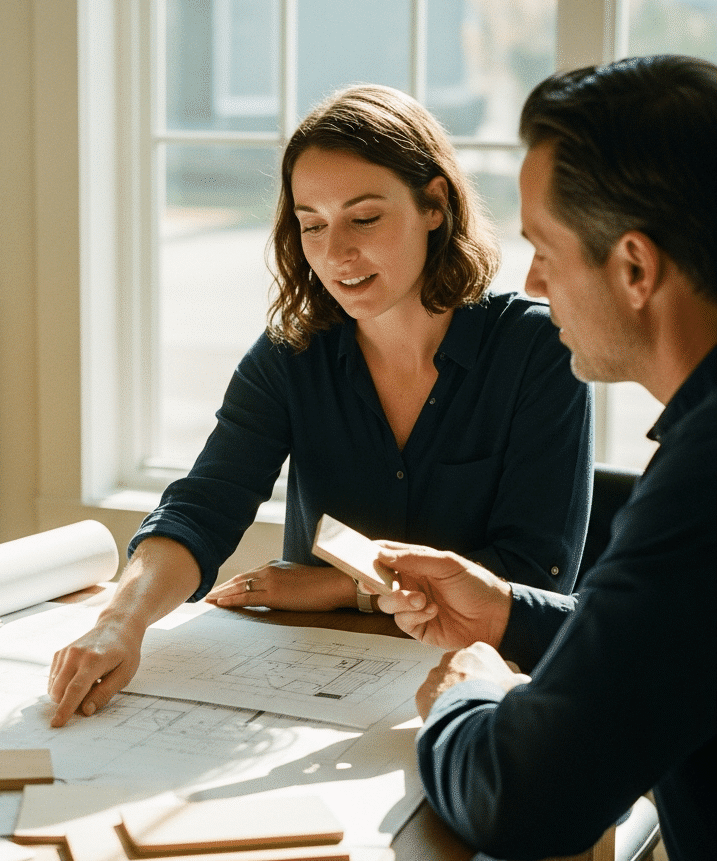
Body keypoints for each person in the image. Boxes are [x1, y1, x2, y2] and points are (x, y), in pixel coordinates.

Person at [48, 84, 592, 728]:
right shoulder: (291, 353)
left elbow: (530, 578)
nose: (336, 254)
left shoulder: (539, 351)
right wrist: (120, 621)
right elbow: (204, 505)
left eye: (364, 218)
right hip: (315, 679)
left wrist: (343, 587)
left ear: (434, 206)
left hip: (478, 691)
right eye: (312, 224)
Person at [368, 55, 716, 861]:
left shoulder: (707, 472)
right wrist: (512, 614)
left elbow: (526, 797)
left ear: (635, 266)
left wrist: (465, 695)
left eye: (547, 250)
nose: (531, 279)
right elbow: (675, 632)